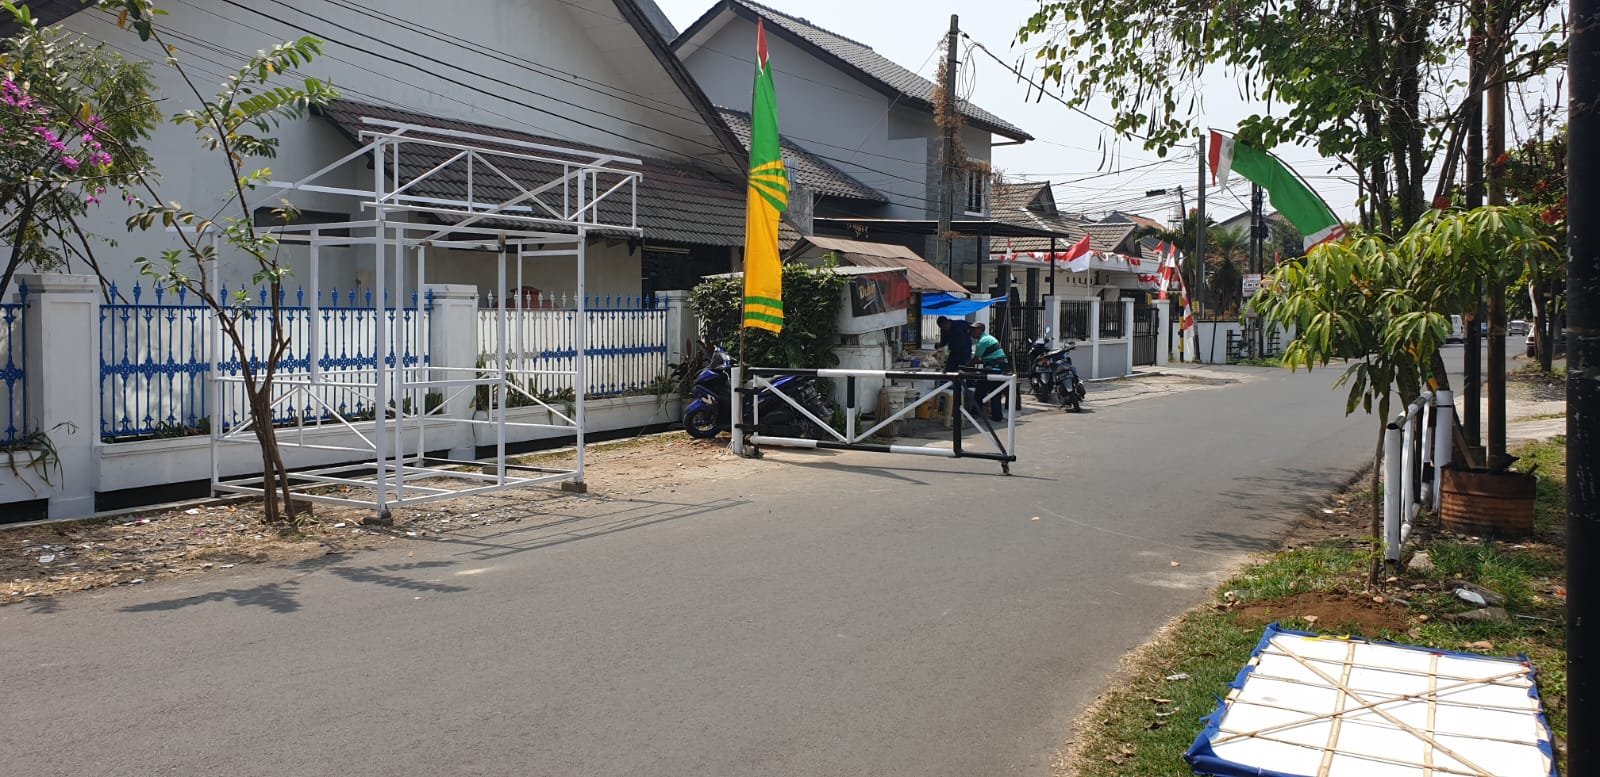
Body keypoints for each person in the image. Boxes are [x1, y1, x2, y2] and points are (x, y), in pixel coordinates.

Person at [971, 322, 1008, 422]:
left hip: (994, 367)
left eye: (974, 329)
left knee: (980, 389)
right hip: (1000, 365)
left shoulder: (982, 341)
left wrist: (965, 364)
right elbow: (987, 357)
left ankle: (975, 413)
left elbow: (975, 360)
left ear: (981, 330)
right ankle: (997, 416)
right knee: (995, 391)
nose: (972, 331)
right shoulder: (989, 338)